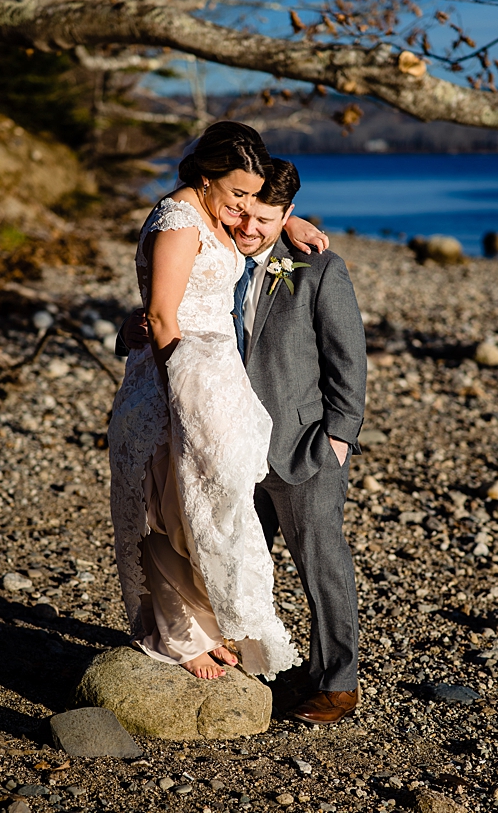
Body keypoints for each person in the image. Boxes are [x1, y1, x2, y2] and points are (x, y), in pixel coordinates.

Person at [119, 158, 367, 723]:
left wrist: (338, 438)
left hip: (299, 445)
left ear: (288, 215)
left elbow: (348, 362)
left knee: (320, 560)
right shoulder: (217, 248)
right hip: (221, 437)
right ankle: (256, 662)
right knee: (224, 550)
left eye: (267, 218)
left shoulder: (317, 269)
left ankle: (337, 682)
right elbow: (166, 305)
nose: (250, 228)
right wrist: (127, 331)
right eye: (245, 213)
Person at [108, 122, 302, 682]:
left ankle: (207, 625)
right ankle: (179, 635)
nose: (243, 207)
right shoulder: (177, 222)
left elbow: (250, 230)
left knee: (212, 503)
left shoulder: (208, 211)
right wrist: (181, 397)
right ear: (205, 174)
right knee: (171, 506)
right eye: (238, 193)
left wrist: (292, 222)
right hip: (179, 382)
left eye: (251, 196)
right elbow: (165, 316)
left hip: (216, 379)